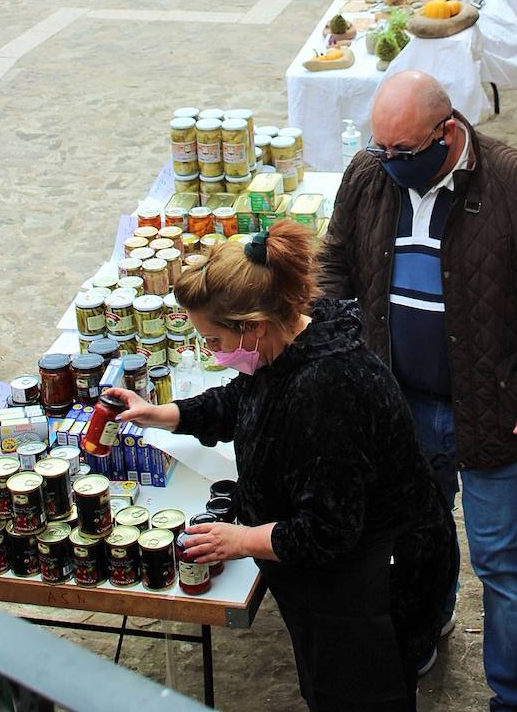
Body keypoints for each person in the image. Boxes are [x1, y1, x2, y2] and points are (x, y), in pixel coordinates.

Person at [319, 70, 517, 712]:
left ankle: (515, 693)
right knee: (419, 537)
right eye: (380, 150)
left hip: (494, 411)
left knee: (500, 561)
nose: (390, 165)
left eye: (404, 154)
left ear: (448, 132)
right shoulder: (370, 175)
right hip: (400, 406)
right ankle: (425, 629)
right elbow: (335, 261)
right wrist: (341, 354)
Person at [113, 221, 455, 712]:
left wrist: (242, 539)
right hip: (340, 576)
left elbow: (328, 530)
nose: (215, 354)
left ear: (251, 326)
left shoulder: (328, 390)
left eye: (213, 341)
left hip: (376, 585)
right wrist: (163, 415)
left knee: (358, 698)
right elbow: (241, 402)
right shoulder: (290, 337)